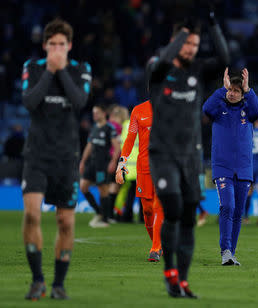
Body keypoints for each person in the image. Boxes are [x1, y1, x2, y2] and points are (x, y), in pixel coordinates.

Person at [146, 13, 229, 298]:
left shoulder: (197, 71)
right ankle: (170, 273)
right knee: (172, 208)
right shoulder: (158, 71)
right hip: (162, 153)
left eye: (195, 44)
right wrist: (181, 33)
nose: (191, 48)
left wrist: (213, 24)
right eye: (186, 43)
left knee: (189, 217)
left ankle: (182, 279)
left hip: (189, 155)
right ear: (176, 42)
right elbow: (159, 63)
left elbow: (224, 56)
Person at [21, 19, 91, 300]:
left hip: (66, 157)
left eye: (62, 44)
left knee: (65, 222)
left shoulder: (80, 70)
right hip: (37, 154)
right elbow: (29, 101)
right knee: (31, 214)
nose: (57, 49)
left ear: (70, 46)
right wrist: (50, 72)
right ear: (44, 46)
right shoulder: (33, 68)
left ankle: (58, 284)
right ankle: (37, 279)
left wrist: (60, 72)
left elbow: (79, 102)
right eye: (52, 45)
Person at [204, 68, 258, 265]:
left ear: (242, 93)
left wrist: (249, 89)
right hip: (222, 167)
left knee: (238, 211)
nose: (233, 93)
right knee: (227, 206)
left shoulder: (248, 109)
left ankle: (231, 252)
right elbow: (205, 108)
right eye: (231, 89)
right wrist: (222, 88)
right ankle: (226, 250)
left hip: (244, 168)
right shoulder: (218, 109)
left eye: (237, 90)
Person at [115, 100, 164, 262]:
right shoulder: (139, 110)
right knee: (147, 210)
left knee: (158, 205)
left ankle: (155, 248)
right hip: (143, 168)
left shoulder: (171, 106)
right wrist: (121, 162)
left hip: (163, 166)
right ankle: (157, 244)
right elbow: (130, 137)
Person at [79, 104, 120, 228]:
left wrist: (113, 162)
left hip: (103, 164)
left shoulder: (109, 128)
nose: (94, 115)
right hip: (92, 163)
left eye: (97, 112)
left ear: (104, 113)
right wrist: (82, 161)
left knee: (103, 190)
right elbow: (89, 146)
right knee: (83, 187)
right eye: (93, 113)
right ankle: (99, 212)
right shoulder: (94, 128)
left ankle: (104, 219)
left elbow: (117, 147)